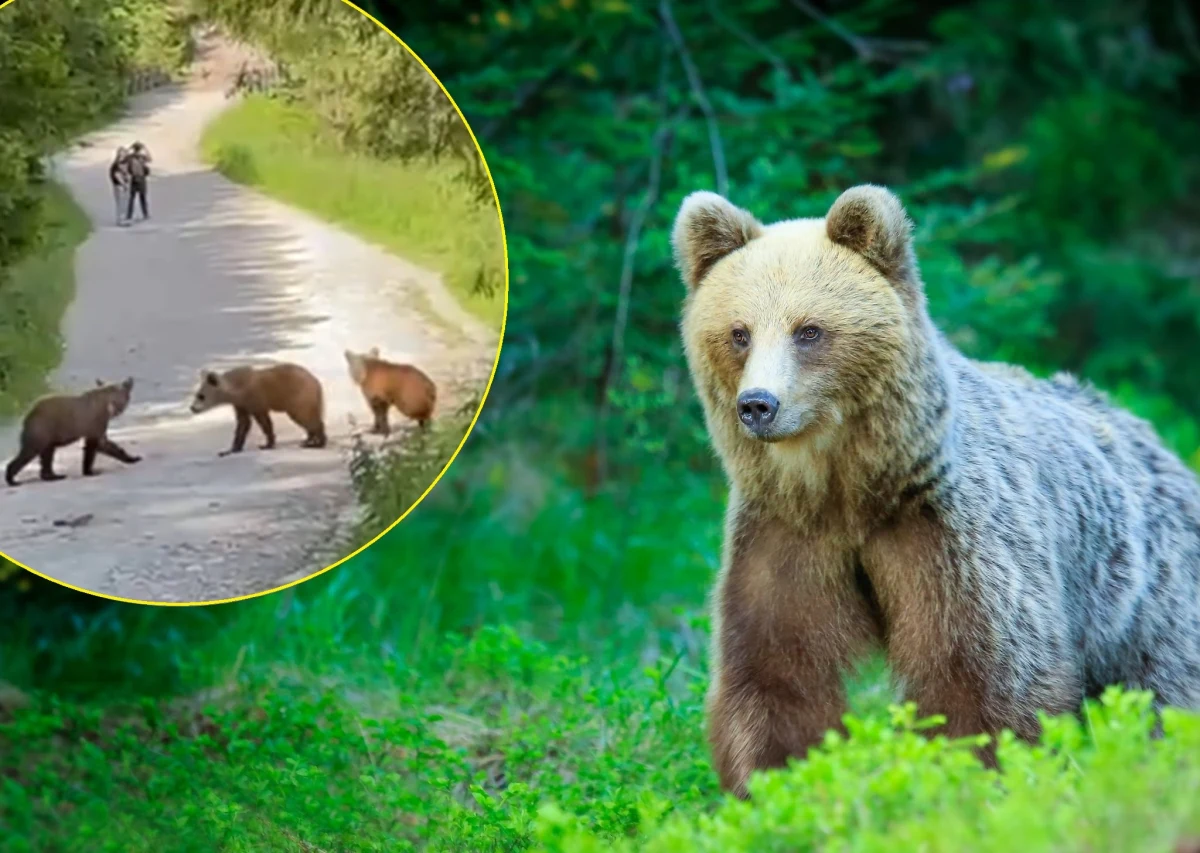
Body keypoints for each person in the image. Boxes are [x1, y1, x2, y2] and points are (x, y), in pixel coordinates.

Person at [125, 141, 151, 223]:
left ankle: (131, 215)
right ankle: (143, 214)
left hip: (137, 178)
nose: (137, 151)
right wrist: (145, 148)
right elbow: (149, 158)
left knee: (136, 198)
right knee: (138, 198)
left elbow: (149, 159)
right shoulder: (138, 157)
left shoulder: (134, 157)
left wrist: (130, 148)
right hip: (139, 178)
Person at [109, 147, 129, 226]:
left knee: (124, 203)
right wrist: (123, 184)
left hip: (122, 185)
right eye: (123, 153)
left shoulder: (123, 163)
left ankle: (123, 219)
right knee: (121, 203)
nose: (125, 154)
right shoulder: (116, 164)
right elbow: (117, 175)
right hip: (119, 186)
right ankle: (121, 220)